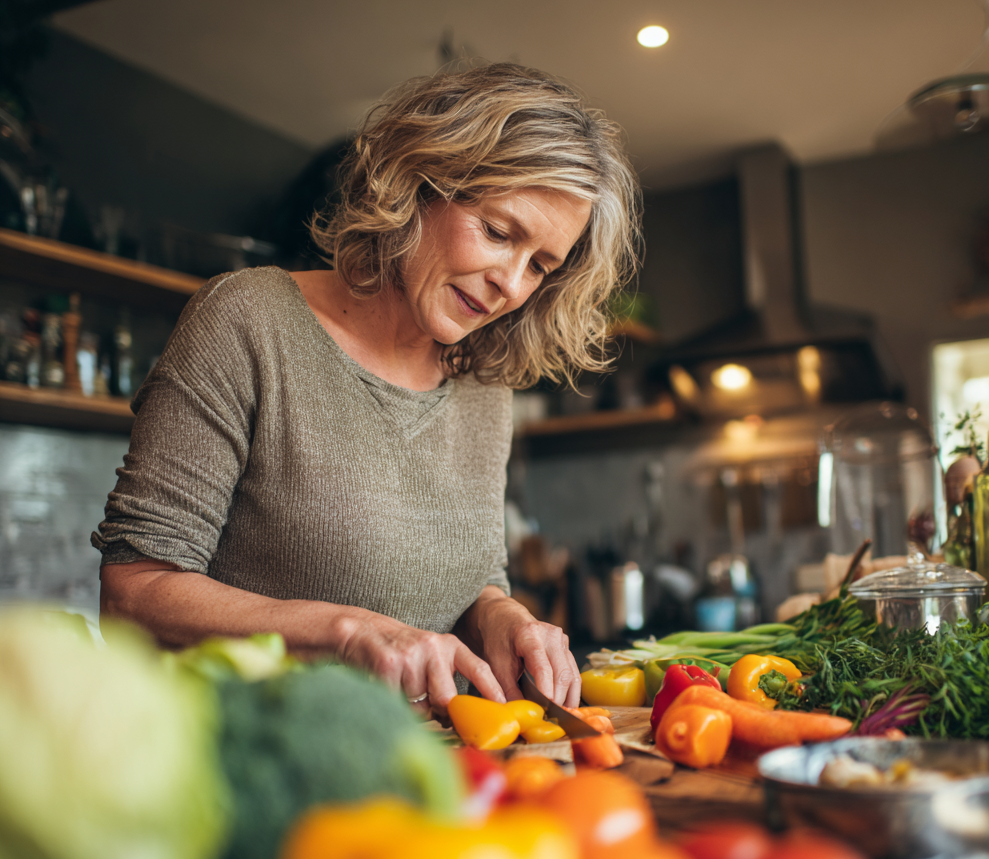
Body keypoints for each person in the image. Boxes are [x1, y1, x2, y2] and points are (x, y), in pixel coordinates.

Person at [94, 62, 640, 713]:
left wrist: (501, 617)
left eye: (540, 267)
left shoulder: (484, 386)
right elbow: (132, 593)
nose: (513, 285)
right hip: (242, 765)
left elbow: (467, 581)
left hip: (418, 770)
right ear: (418, 183)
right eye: (498, 232)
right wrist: (347, 632)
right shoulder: (249, 320)